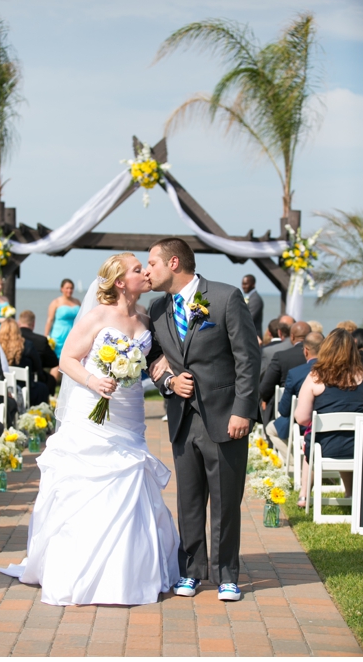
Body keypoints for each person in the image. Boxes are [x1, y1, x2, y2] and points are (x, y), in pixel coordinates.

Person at [0, 253, 180, 605]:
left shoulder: (145, 316)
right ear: (119, 282)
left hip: (129, 411)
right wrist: (94, 381)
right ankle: (76, 568)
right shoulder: (97, 315)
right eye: (137, 270)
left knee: (129, 477)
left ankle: (128, 571)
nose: (145, 272)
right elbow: (67, 358)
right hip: (92, 408)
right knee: (87, 480)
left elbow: (157, 358)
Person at [145, 237, 261, 602]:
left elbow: (248, 358)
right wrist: (168, 381)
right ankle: (191, 571)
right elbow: (156, 359)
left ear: (174, 263)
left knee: (225, 501)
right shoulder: (157, 308)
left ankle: (227, 574)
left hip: (226, 417)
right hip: (182, 418)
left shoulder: (226, 298)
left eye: (152, 263)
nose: (147, 270)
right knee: (189, 500)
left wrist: (243, 409)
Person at [294, 328, 363, 506]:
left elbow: (301, 418)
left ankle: (304, 495)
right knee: (349, 437)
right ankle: (350, 493)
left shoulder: (315, 377)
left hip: (325, 448)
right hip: (359, 449)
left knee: (310, 442)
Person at [269, 331, 323, 441]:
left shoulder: (296, 373)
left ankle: (293, 458)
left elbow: (284, 410)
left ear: (306, 351)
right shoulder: (335, 372)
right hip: (326, 425)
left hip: (302, 427)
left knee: (270, 429)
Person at [260, 321, 311, 424]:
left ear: (292, 337)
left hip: (286, 414)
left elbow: (265, 387)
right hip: (312, 414)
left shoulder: (281, 356)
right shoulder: (321, 358)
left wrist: (264, 398)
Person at [0, 318, 49, 406]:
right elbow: (37, 367)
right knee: (42, 388)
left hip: (2, 388)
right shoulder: (27, 345)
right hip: (25, 387)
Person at [18, 310, 59, 394]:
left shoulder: (10, 339)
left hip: (13, 375)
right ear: (33, 323)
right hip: (34, 378)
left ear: (19, 323)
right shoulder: (41, 340)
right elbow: (54, 362)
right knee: (50, 380)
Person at [44, 279, 81, 358]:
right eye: (67, 288)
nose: (69, 290)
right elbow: (50, 320)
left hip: (73, 335)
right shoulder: (56, 302)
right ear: (62, 289)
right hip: (59, 336)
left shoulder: (77, 302)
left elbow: (81, 319)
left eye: (71, 288)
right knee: (57, 361)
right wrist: (46, 337)